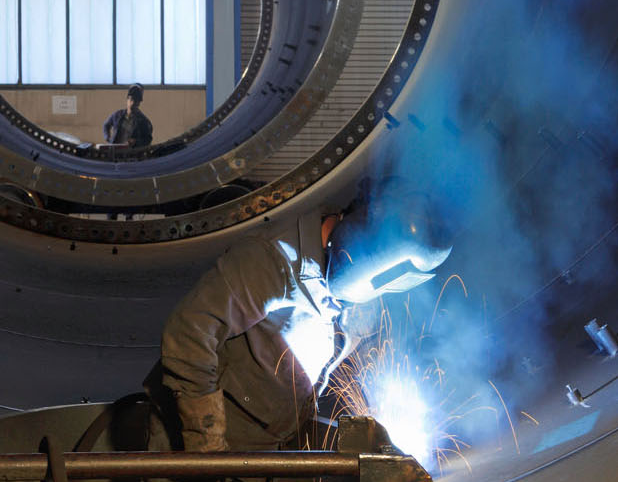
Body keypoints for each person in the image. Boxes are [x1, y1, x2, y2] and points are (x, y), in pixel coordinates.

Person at [146, 185, 452, 454]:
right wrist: (207, 450)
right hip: (194, 454)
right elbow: (188, 333)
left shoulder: (363, 291)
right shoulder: (272, 259)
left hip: (266, 459)